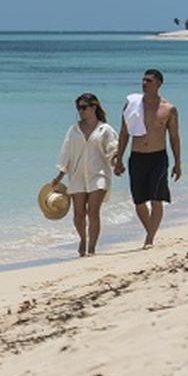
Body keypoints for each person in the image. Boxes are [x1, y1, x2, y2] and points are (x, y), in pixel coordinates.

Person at [47, 93, 120, 256]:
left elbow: (113, 150)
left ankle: (92, 248)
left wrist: (116, 164)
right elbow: (66, 154)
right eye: (78, 108)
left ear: (94, 107)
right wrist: (59, 176)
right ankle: (83, 239)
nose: (81, 111)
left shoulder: (105, 129)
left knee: (93, 211)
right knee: (79, 214)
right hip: (77, 176)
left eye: (84, 107)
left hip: (99, 174)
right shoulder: (73, 130)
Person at [119, 68, 182, 247]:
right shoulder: (131, 105)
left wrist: (178, 163)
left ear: (159, 84)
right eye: (143, 80)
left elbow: (174, 137)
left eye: (149, 81)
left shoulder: (169, 109)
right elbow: (124, 133)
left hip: (158, 158)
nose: (144, 84)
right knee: (139, 201)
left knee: (156, 199)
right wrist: (118, 159)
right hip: (137, 157)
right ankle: (151, 231)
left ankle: (149, 239)